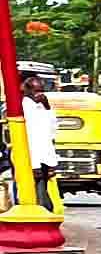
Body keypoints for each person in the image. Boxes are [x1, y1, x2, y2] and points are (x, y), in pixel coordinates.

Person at [18, 74, 58, 211]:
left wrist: (47, 106)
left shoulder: (42, 107)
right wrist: (34, 165)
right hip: (32, 158)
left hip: (45, 158)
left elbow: (52, 130)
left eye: (41, 90)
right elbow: (30, 137)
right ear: (28, 91)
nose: (40, 94)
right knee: (38, 196)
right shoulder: (24, 107)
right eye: (36, 90)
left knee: (43, 190)